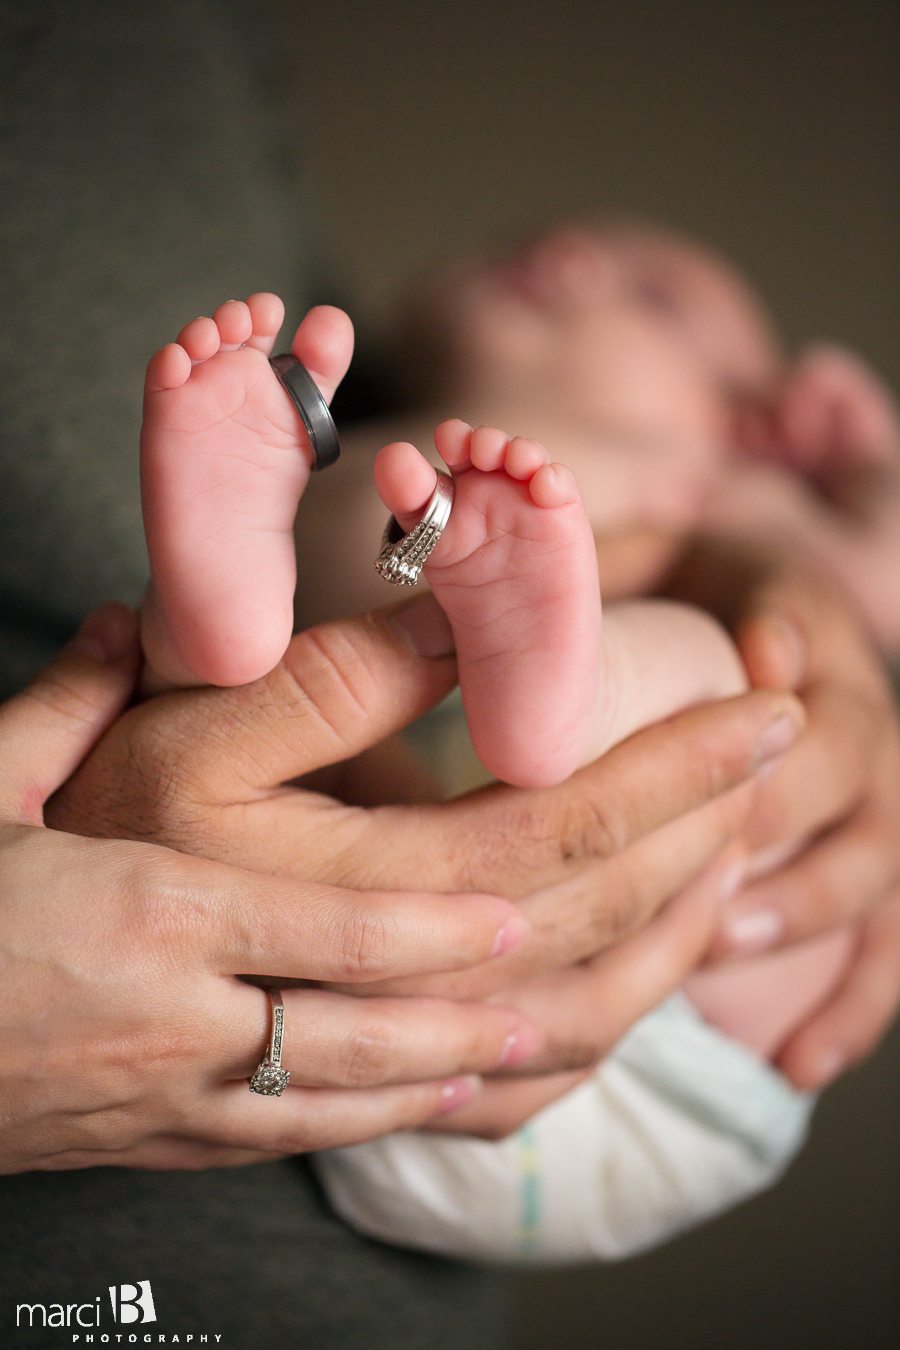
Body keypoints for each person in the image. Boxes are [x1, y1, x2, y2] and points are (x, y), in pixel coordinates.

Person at [5, 8, 861, 1347]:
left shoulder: (717, 493)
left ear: (747, 434)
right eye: (567, 241)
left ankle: (276, 632)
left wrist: (836, 495)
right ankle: (250, 627)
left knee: (689, 648)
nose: (572, 249)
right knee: (270, 666)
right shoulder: (452, 454)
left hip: (637, 1049)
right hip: (329, 1017)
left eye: (659, 302)